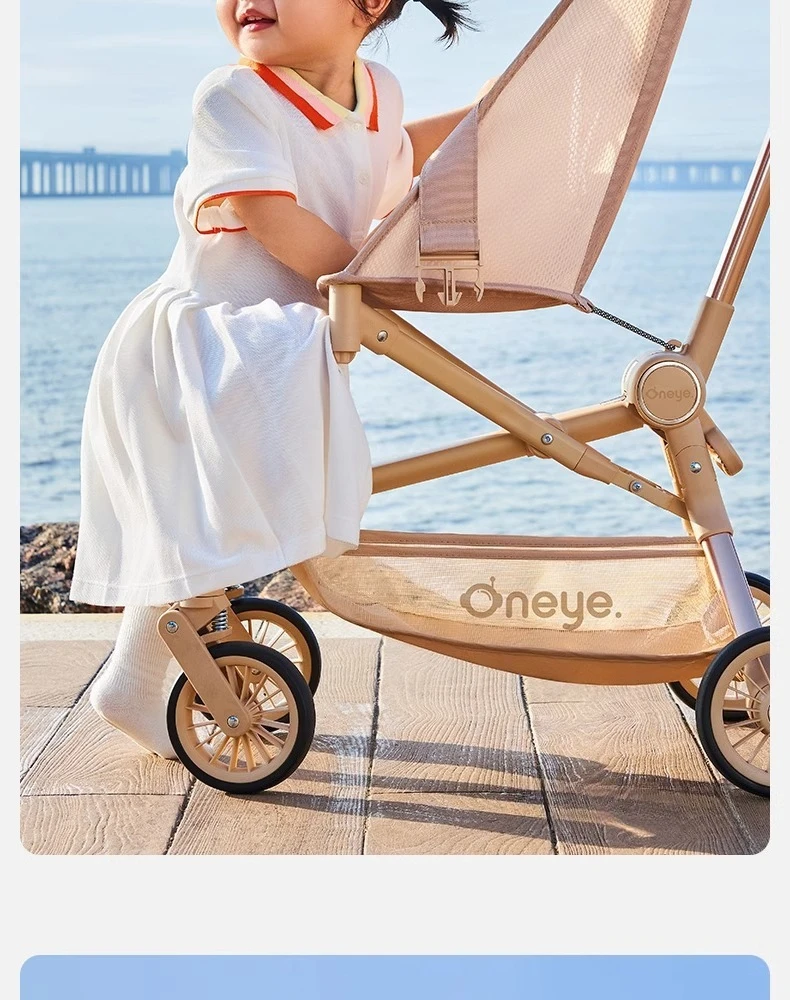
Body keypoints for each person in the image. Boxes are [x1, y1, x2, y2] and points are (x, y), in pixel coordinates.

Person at [69, 0, 485, 758]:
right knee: (213, 517)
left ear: (370, 5)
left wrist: (493, 114)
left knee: (223, 517)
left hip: (284, 334)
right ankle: (136, 679)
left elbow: (392, 153)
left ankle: (136, 676)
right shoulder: (233, 96)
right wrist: (369, 284)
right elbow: (269, 215)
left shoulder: (379, 91)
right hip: (211, 340)